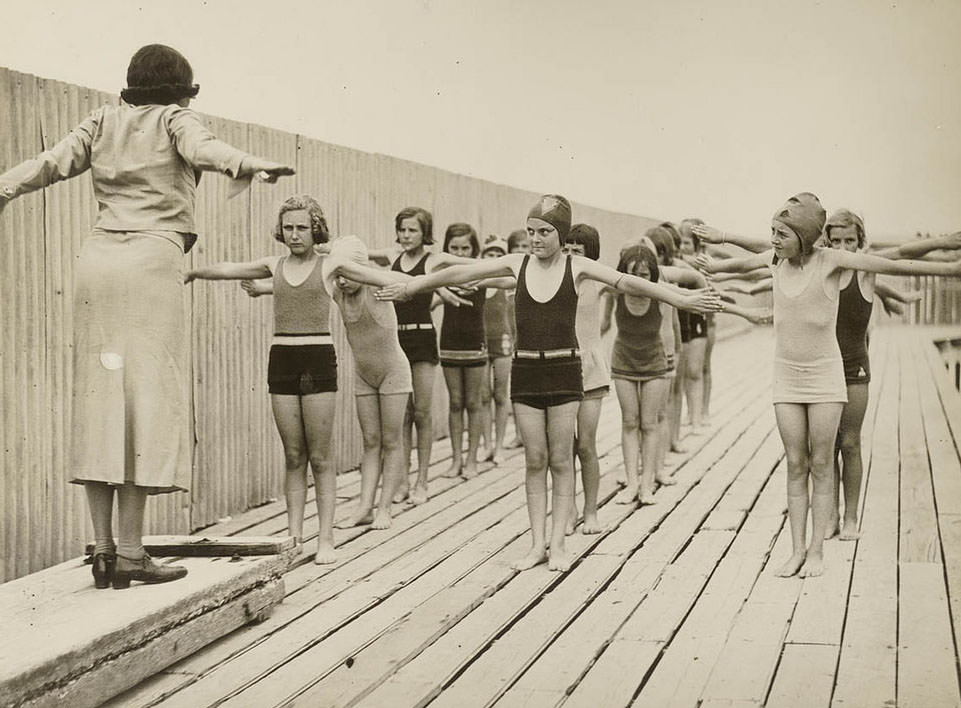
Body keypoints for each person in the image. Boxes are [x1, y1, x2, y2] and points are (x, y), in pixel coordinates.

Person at [0, 44, 294, 588]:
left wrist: (3, 187)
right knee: (144, 400)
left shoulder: (101, 119)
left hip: (98, 262)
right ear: (181, 87)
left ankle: (106, 551)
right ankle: (132, 552)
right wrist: (249, 164)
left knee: (99, 398)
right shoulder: (175, 119)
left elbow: (49, 163)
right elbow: (205, 149)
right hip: (151, 263)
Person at [376, 194, 721, 572]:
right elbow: (462, 273)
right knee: (534, 459)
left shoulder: (578, 267)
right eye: (531, 231)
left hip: (565, 371)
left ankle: (558, 544)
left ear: (560, 234)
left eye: (544, 232)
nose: (536, 239)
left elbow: (629, 283)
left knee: (560, 459)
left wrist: (681, 299)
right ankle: (537, 543)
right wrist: (412, 287)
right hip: (526, 373)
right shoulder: (516, 263)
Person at [698, 193, 961, 578]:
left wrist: (950, 269)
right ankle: (796, 551)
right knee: (794, 463)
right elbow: (744, 261)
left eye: (780, 233)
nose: (772, 239)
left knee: (824, 462)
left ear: (802, 236)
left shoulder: (832, 261)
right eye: (772, 231)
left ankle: (818, 551)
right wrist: (718, 267)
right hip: (786, 377)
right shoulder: (776, 259)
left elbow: (894, 262)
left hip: (827, 376)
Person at [186, 195, 343, 563]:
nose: (294, 235)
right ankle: (294, 537)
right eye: (288, 227)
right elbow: (231, 268)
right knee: (293, 454)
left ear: (315, 228)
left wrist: (408, 286)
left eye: (302, 227)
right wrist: (193, 272)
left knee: (319, 457)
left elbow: (373, 273)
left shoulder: (329, 265)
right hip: (283, 358)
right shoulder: (274, 265)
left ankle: (326, 539)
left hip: (318, 358)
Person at [561, 224, 610, 534]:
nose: (570, 253)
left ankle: (591, 511)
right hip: (561, 368)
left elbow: (636, 281)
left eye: (577, 249)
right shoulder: (552, 277)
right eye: (567, 247)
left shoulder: (597, 280)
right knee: (564, 447)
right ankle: (568, 509)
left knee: (586, 446)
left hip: (591, 370)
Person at [436, 223, 491, 479]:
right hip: (449, 341)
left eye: (465, 248)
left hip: (474, 342)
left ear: (474, 249)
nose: (460, 253)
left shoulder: (481, 271)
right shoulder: (441, 274)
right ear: (446, 248)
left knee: (474, 402)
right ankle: (456, 459)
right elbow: (423, 286)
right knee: (455, 402)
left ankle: (472, 460)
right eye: (454, 248)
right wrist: (440, 292)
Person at [478, 236, 514, 464]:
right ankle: (487, 445)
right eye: (489, 254)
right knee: (483, 396)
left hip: (502, 341)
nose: (493, 259)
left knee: (501, 395)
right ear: (482, 257)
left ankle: (500, 445)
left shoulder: (508, 283)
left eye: (498, 255)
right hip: (480, 342)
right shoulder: (476, 282)